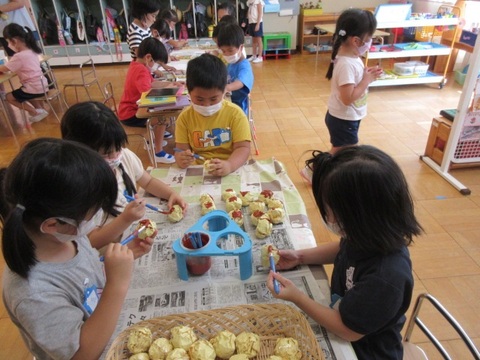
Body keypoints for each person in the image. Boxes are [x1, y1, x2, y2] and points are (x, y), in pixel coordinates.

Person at [0, 138, 154, 359]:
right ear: (53, 224)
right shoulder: (32, 292)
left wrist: (126, 253)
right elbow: (81, 354)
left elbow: (85, 271)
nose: (98, 218)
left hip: (106, 322)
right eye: (93, 213)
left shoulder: (66, 237)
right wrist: (117, 284)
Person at [267, 145, 422, 360]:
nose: (328, 219)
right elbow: (343, 247)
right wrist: (301, 257)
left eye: (330, 212)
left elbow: (347, 330)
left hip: (365, 351)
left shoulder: (386, 278)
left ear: (360, 216)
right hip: (343, 318)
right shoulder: (369, 234)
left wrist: (298, 297)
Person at [61, 101, 187, 248]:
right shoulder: (80, 188)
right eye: (106, 154)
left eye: (119, 148)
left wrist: (171, 194)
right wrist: (125, 219)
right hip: (109, 249)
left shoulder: (125, 157)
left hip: (131, 231)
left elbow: (147, 182)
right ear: (79, 153)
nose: (115, 157)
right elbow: (91, 241)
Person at [300, 9, 383, 184]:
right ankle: (313, 170)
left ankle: (321, 171)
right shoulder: (346, 64)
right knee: (342, 151)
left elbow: (352, 87)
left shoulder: (352, 58)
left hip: (346, 117)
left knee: (341, 150)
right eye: (368, 40)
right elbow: (348, 98)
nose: (369, 44)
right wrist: (366, 80)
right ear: (355, 40)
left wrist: (366, 75)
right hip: (343, 118)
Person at [174, 53, 251, 176]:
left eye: (214, 99)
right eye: (199, 99)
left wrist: (229, 165)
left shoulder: (235, 114)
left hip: (231, 169)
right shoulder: (184, 118)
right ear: (188, 89)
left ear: (224, 90)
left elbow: (243, 148)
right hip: (199, 171)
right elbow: (181, 149)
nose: (207, 105)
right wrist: (181, 158)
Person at [119, 37, 175, 164]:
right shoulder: (141, 71)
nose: (157, 67)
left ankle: (151, 141)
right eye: (158, 64)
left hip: (128, 110)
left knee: (162, 114)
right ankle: (158, 152)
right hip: (131, 114)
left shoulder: (137, 64)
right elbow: (148, 94)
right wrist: (170, 93)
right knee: (162, 118)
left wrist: (170, 85)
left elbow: (151, 84)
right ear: (148, 58)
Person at [0, 23, 48, 123]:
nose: (8, 45)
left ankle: (34, 112)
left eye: (8, 42)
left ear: (14, 41)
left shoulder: (19, 56)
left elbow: (4, 68)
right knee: (24, 90)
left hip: (33, 87)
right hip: (42, 84)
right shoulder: (32, 50)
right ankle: (40, 110)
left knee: (9, 97)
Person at [217, 23, 253, 115]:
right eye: (223, 51)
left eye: (230, 50)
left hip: (239, 109)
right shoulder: (231, 63)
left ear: (241, 47)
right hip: (229, 102)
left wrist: (226, 88)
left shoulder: (244, 66)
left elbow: (241, 82)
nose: (227, 54)